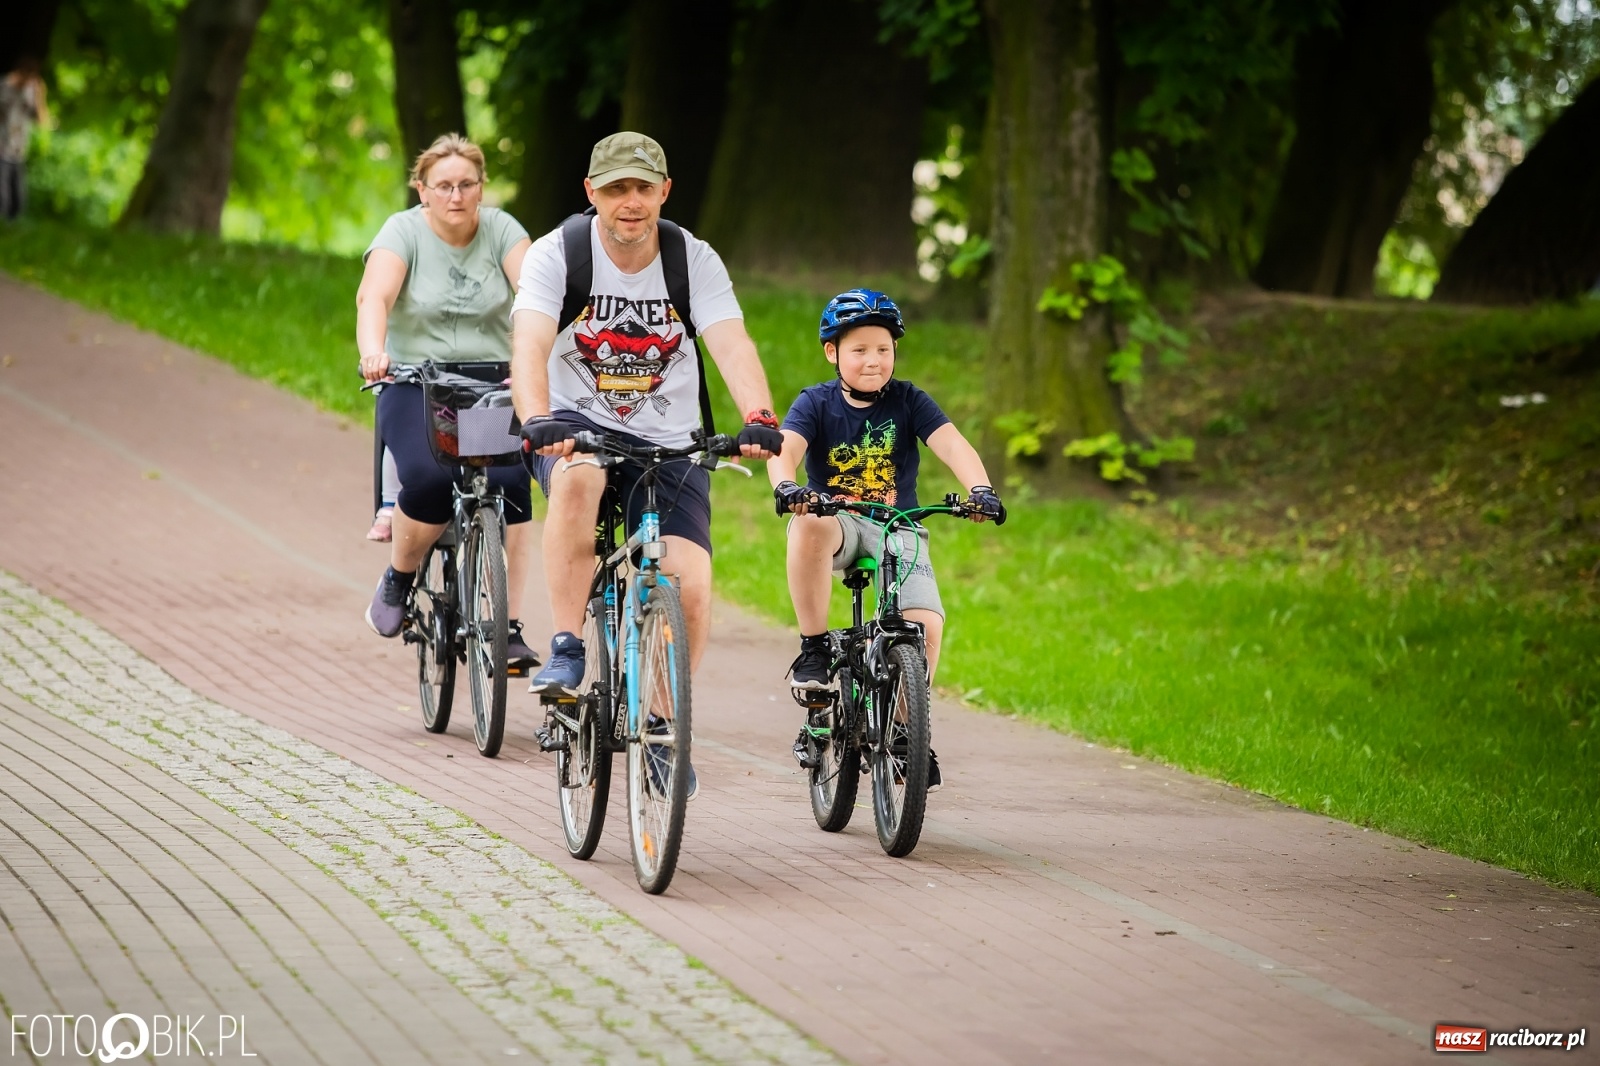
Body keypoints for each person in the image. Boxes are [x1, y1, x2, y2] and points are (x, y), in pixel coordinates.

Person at [510, 132, 784, 793]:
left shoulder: (692, 259)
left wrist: (759, 417)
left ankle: (662, 727)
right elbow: (529, 341)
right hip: (575, 424)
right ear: (591, 194)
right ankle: (569, 648)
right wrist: (536, 415)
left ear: (664, 190)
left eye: (642, 188)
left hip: (671, 437)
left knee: (689, 586)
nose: (629, 203)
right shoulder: (558, 255)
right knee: (579, 481)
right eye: (614, 189)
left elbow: (731, 342)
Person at [766, 289, 1006, 791]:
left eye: (883, 349)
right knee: (807, 522)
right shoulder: (816, 402)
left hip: (898, 525)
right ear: (832, 352)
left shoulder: (909, 400)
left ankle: (901, 731)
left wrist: (980, 489)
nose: (873, 360)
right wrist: (787, 486)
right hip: (838, 521)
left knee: (925, 626)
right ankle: (813, 647)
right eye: (859, 350)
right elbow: (784, 448)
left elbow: (952, 443)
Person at [358, 133, 540, 670]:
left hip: (492, 383)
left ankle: (507, 625)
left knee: (511, 488)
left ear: (482, 188)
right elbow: (376, 296)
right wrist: (374, 351)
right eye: (443, 186)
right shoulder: (403, 231)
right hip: (415, 380)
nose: (456, 196)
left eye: (466, 185)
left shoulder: (504, 230)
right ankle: (400, 576)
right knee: (431, 479)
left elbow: (535, 293)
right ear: (422, 190)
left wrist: (538, 356)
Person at [0, 56, 48, 222]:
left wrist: (40, 96)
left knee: (18, 199)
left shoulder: (31, 91)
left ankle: (13, 230)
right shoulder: (4, 87)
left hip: (19, 150)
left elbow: (42, 120)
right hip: (1, 148)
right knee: (2, 196)